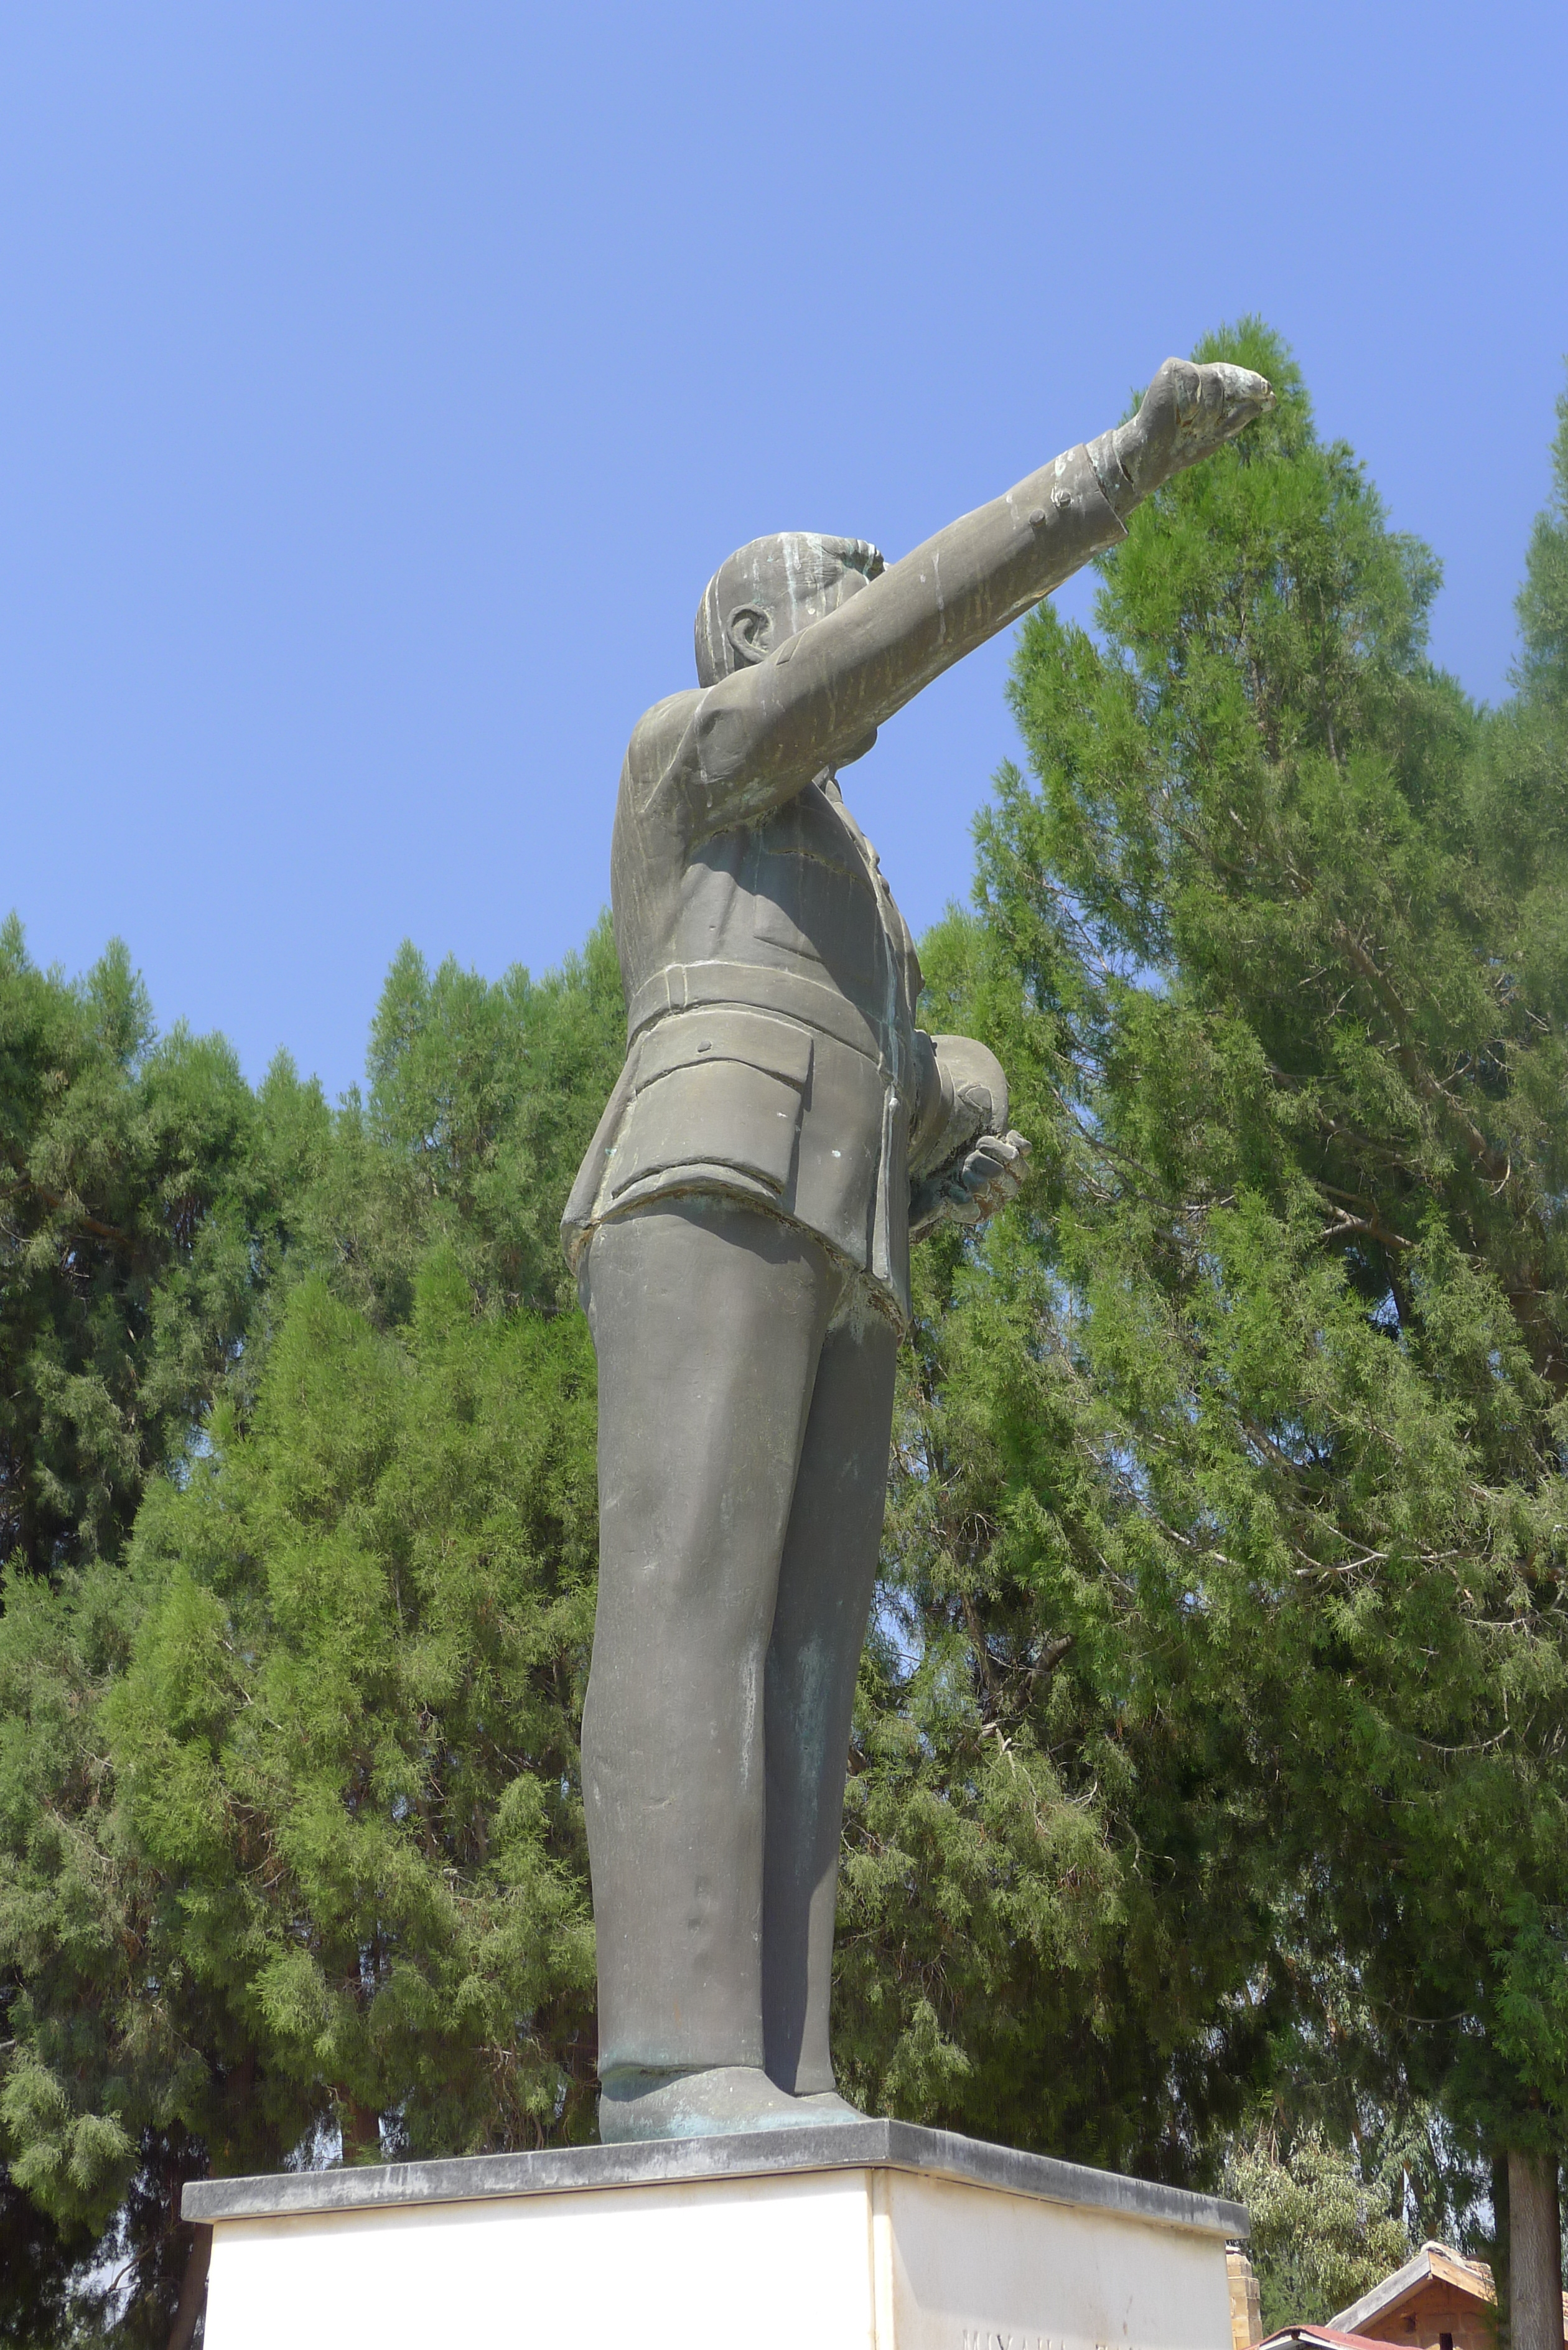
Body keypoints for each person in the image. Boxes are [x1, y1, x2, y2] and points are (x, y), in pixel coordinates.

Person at [562, 355, 1273, 2142]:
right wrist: (1106, 481)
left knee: (811, 1665)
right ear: (753, 635)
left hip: (845, 1233)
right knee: (695, 1606)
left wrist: (964, 1102)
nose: (876, 605)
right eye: (844, 590)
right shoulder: (689, 751)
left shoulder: (853, 881)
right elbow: (878, 661)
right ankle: (675, 2055)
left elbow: (906, 1071)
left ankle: (781, 2063)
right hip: (711, 1178)